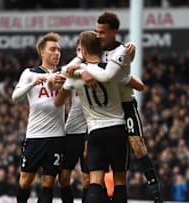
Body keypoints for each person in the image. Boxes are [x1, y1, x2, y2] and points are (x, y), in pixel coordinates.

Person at [66, 11, 163, 202]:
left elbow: (114, 75)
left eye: (102, 32)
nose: (98, 35)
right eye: (97, 31)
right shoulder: (93, 49)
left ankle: (156, 192)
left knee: (137, 146)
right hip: (101, 111)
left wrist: (83, 69)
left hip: (124, 105)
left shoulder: (122, 50)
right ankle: (95, 194)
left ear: (114, 32)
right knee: (89, 157)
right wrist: (80, 68)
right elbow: (69, 67)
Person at [55, 30, 136, 203]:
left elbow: (59, 100)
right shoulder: (111, 70)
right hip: (117, 129)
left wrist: (77, 68)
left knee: (94, 182)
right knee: (120, 181)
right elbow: (138, 85)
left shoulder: (76, 76)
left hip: (95, 132)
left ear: (82, 50)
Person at [12, 32, 67, 203]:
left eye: (58, 50)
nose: (57, 53)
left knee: (48, 182)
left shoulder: (63, 74)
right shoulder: (30, 73)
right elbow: (15, 97)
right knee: (25, 180)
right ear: (42, 52)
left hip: (57, 136)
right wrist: (32, 84)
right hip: (35, 136)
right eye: (52, 49)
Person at [56, 40, 90, 203]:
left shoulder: (96, 69)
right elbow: (63, 74)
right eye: (78, 49)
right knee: (63, 177)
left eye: (82, 49)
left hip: (91, 128)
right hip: (73, 128)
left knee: (88, 178)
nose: (80, 52)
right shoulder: (73, 69)